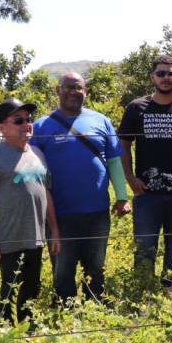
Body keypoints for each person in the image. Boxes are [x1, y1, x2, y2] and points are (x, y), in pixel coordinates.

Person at [32, 72, 130, 307]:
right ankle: (66, 309)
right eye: (67, 87)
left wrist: (122, 197)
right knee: (63, 266)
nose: (72, 92)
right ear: (57, 91)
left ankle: (94, 306)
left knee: (96, 264)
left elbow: (115, 161)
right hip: (59, 213)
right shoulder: (40, 126)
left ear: (85, 91)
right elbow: (32, 169)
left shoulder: (101, 121)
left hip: (97, 210)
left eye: (78, 88)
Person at [118, 55, 172, 287]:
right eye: (161, 73)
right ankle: (142, 293)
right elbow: (123, 145)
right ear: (152, 77)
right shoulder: (136, 108)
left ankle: (169, 293)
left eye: (171, 73)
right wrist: (130, 178)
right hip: (145, 194)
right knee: (144, 248)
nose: (166, 78)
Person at [0, 97, 60, 324]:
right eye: (18, 120)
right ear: (1, 127)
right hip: (9, 238)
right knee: (10, 290)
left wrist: (54, 232)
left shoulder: (37, 153)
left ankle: (26, 332)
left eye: (29, 119)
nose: (26, 124)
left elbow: (46, 193)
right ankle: (3, 334)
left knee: (32, 289)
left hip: (37, 238)